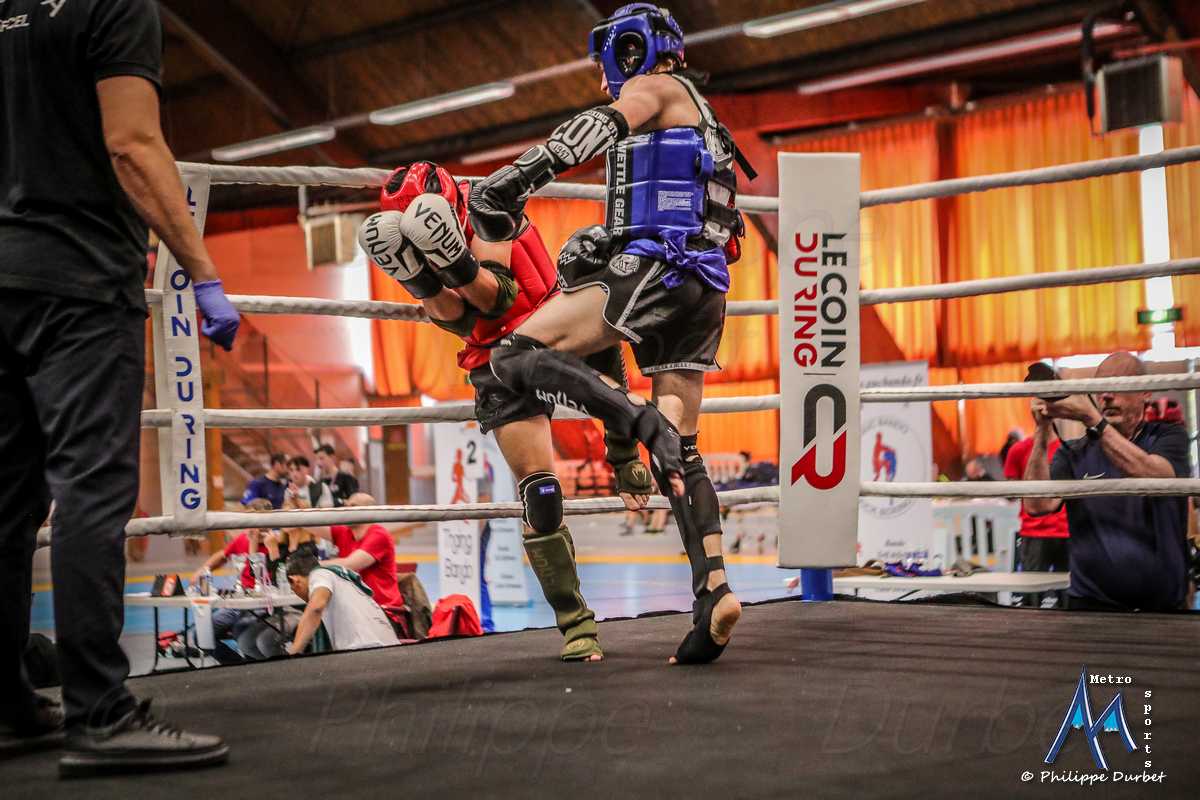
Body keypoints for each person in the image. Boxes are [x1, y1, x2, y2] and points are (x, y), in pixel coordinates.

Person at [467, 3, 752, 663]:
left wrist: (513, 182)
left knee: (513, 354)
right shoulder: (705, 117)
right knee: (681, 446)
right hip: (704, 290)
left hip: (661, 268)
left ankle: (635, 421)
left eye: (608, 63)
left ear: (631, 50)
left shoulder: (655, 88)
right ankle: (714, 591)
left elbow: (596, 127)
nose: (605, 80)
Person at [0, 0, 235, 773]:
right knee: (92, 494)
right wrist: (202, 271)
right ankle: (100, 713)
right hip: (81, 282)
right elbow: (133, 143)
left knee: (7, 504)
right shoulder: (114, 3)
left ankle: (8, 703)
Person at [357, 161, 653, 661]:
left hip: (552, 323)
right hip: (495, 357)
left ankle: (624, 456)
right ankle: (576, 624)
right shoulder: (412, 232)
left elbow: (500, 294)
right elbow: (459, 319)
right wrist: (422, 279)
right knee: (540, 493)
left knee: (603, 330)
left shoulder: (488, 204)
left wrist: (454, 260)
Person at [1022, 352, 1191, 611]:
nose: (1106, 395)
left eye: (1117, 385)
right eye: (1100, 388)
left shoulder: (1168, 437)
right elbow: (1036, 505)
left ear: (1145, 393)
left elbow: (1155, 476)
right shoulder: (1074, 452)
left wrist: (1093, 420)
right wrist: (1042, 430)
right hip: (1091, 603)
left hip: (1162, 604)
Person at [1004, 401, 1069, 608]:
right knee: (1031, 600)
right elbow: (1011, 493)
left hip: (1066, 532)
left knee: (1070, 597)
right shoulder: (1018, 450)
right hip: (1034, 532)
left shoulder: (1069, 450)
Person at [285, 552, 400, 654]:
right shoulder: (343, 579)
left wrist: (294, 653)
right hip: (389, 647)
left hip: (366, 650)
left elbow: (315, 608)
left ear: (295, 580)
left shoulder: (319, 574)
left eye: (293, 590)